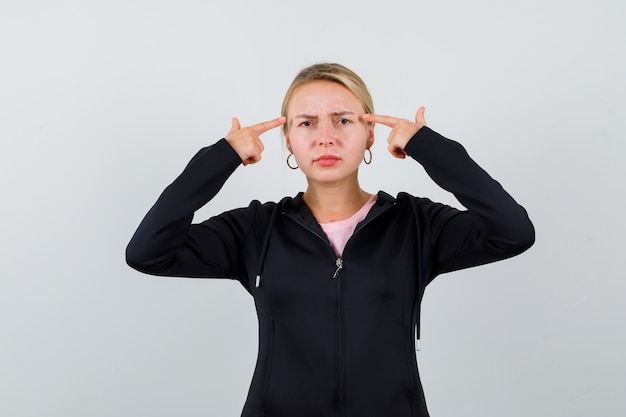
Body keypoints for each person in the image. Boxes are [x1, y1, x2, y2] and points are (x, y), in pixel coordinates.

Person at [126, 63, 535, 417]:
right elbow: (148, 253)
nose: (325, 137)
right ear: (287, 139)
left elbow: (513, 232)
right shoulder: (255, 230)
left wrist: (429, 147)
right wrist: (220, 158)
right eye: (306, 122)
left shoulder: (415, 224)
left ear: (370, 134)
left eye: (343, 120)